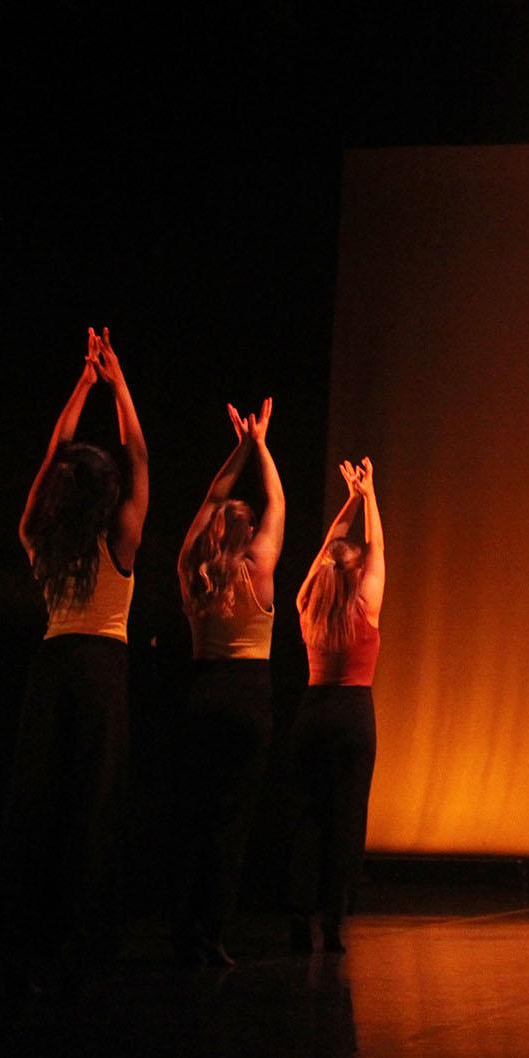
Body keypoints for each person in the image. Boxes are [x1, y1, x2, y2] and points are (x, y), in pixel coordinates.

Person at [3, 328, 148, 986]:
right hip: (99, 670)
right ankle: (85, 936)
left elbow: (52, 455)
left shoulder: (40, 537)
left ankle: (33, 930)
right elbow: (138, 455)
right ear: (106, 493)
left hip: (52, 667)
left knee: (44, 798)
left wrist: (83, 385)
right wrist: (116, 385)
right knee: (96, 801)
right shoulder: (120, 537)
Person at [173, 398, 283, 966]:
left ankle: (182, 928)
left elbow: (212, 498)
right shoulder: (258, 570)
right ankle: (211, 934)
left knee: (194, 815)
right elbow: (278, 503)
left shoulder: (192, 571)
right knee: (231, 822)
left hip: (202, 691)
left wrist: (237, 450)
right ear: (247, 534)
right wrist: (260, 445)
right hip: (248, 698)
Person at [287, 457, 385, 954]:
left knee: (308, 815)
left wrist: (348, 502)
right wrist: (369, 498)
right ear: (356, 573)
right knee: (346, 817)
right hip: (352, 715)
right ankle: (332, 919)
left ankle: (299, 913)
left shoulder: (308, 604)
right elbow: (378, 550)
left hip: (313, 711)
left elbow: (329, 548)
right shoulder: (364, 607)